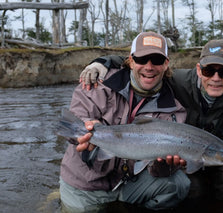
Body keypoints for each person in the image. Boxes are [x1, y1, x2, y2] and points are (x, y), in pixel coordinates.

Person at [79, 39, 223, 201]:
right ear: (198, 70)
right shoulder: (178, 80)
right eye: (208, 70)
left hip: (217, 157)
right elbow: (145, 65)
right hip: (176, 152)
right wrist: (101, 63)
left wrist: (211, 164)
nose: (215, 78)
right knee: (189, 188)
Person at [59, 31, 191, 212]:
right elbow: (76, 116)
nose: (149, 66)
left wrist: (166, 166)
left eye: (157, 60)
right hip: (85, 183)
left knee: (178, 184)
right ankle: (59, 194)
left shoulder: (174, 109)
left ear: (166, 64)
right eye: (142, 59)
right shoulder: (99, 82)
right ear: (131, 61)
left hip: (130, 183)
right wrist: (88, 127)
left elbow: (156, 172)